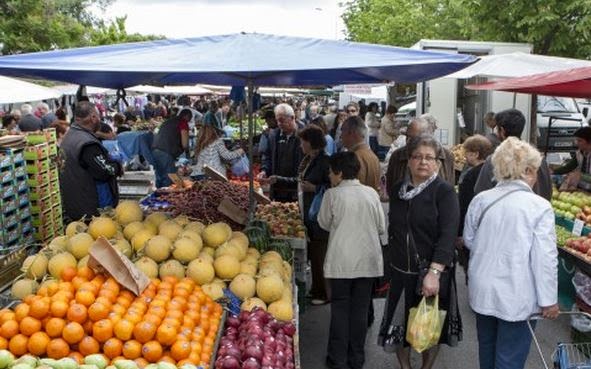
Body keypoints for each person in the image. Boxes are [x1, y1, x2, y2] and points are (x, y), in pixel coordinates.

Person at [463, 137, 559, 369]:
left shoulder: (481, 200)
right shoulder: (539, 207)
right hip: (518, 295)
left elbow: (469, 240)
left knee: (487, 350)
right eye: (535, 170)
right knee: (510, 359)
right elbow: (544, 259)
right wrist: (549, 301)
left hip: (483, 290)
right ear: (527, 170)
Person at [379, 135, 461, 369]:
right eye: (417, 157)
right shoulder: (398, 191)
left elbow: (447, 235)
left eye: (429, 157)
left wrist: (434, 272)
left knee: (428, 326)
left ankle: (426, 368)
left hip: (430, 271)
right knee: (399, 325)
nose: (423, 162)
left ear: (437, 163)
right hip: (400, 271)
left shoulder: (444, 192)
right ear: (409, 161)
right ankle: (405, 367)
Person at [318, 151, 386, 369]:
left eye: (331, 172)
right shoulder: (371, 194)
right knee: (359, 311)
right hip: (367, 261)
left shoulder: (332, 195)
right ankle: (357, 359)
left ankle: (337, 359)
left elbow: (323, 223)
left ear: (338, 172)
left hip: (341, 262)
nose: (329, 176)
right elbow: (381, 227)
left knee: (340, 310)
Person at [59, 101, 123, 221]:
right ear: (93, 117)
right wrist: (118, 167)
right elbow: (106, 171)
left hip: (75, 204)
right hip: (91, 208)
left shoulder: (70, 136)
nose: (100, 119)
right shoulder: (87, 144)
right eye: (98, 116)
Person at [474, 109, 552, 201]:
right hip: (537, 212)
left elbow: (480, 193)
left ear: (502, 131)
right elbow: (548, 191)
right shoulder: (538, 159)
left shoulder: (495, 159)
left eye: (497, 129)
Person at [297, 126, 331, 305]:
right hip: (309, 211)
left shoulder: (325, 161)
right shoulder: (309, 159)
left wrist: (315, 188)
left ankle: (324, 293)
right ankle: (316, 288)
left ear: (311, 142)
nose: (301, 144)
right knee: (314, 253)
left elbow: (332, 187)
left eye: (303, 141)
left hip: (319, 214)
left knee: (319, 254)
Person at [386, 115, 455, 195]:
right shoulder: (397, 156)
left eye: (413, 138)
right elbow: (390, 188)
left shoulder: (446, 156)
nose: (408, 141)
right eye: (407, 137)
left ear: (427, 138)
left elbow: (450, 187)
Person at [456, 135, 492, 276]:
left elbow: (463, 206)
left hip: (472, 231)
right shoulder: (491, 172)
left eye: (467, 153)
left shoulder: (470, 176)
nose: (464, 156)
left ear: (476, 154)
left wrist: (459, 234)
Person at [258, 103, 304, 202]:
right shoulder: (274, 135)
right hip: (277, 189)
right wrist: (264, 170)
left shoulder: (303, 136)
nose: (279, 124)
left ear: (292, 118)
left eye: (282, 120)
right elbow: (267, 156)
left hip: (297, 190)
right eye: (277, 120)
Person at [152, 108, 192, 188]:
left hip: (155, 149)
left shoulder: (168, 121)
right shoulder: (183, 122)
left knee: (160, 176)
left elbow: (157, 132)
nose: (189, 121)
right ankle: (166, 197)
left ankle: (158, 196)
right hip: (166, 152)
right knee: (169, 178)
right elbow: (185, 144)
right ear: (187, 116)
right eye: (189, 119)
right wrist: (188, 154)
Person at [340, 116, 380, 191]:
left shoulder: (354, 157)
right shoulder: (373, 156)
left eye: (342, 131)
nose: (340, 136)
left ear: (351, 133)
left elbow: (352, 189)